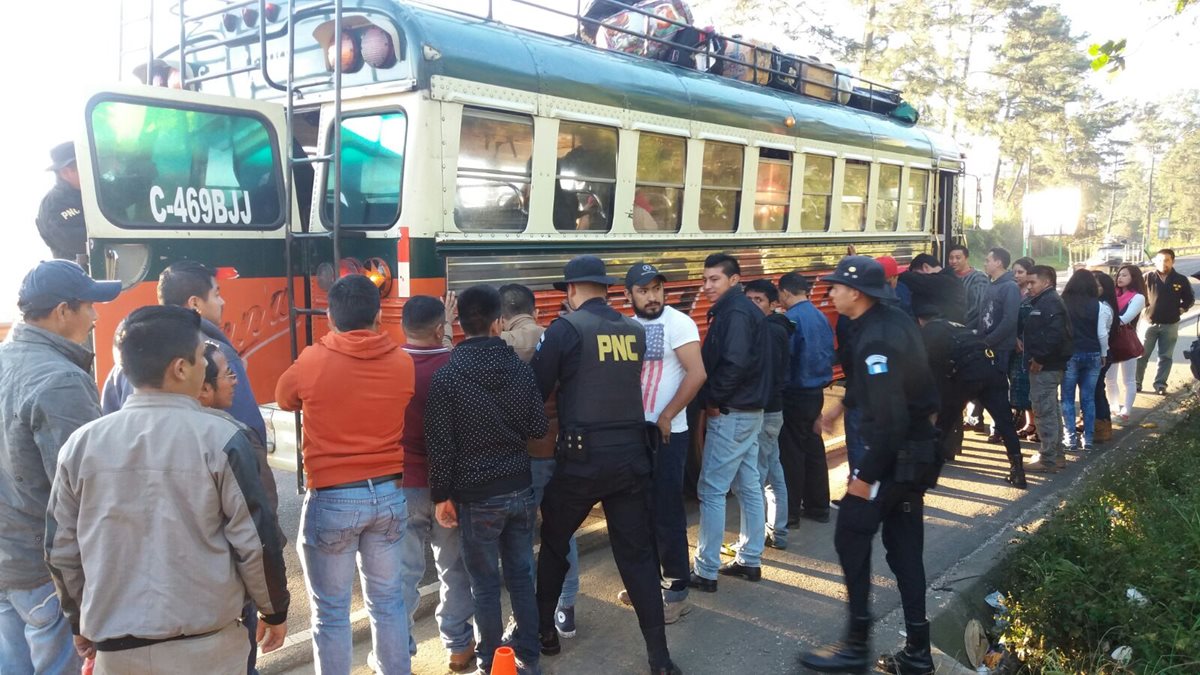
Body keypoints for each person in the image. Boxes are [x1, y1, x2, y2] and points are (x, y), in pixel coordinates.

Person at [46, 305, 289, 675]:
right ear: (180, 368)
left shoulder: (79, 446)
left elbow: (61, 550)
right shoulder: (224, 438)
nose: (204, 366)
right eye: (200, 358)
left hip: (117, 652)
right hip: (208, 650)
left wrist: (79, 622)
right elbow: (256, 541)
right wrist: (274, 611)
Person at [101, 260, 276, 670]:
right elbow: (251, 463)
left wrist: (81, 617)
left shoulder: (121, 370)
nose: (223, 302)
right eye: (217, 293)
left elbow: (66, 543)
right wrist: (273, 602)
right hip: (207, 599)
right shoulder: (213, 357)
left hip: (130, 595)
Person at [530, 255, 680, 674]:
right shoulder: (634, 330)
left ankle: (546, 633)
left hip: (580, 461)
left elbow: (536, 388)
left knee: (555, 542)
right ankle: (659, 657)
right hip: (631, 459)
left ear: (571, 290)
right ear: (607, 287)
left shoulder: (565, 329)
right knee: (637, 557)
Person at [800, 257, 940, 675]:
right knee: (904, 548)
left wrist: (864, 477)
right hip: (918, 453)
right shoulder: (891, 320)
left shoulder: (875, 338)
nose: (831, 293)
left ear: (856, 293)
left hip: (896, 458)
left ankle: (856, 646)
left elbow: (891, 420)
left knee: (850, 534)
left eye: (836, 287)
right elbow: (882, 383)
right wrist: (841, 406)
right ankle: (918, 652)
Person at [275, 274, 415, 673]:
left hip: (333, 497)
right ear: (378, 315)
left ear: (330, 317)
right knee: (387, 602)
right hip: (388, 495)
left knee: (331, 612)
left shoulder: (312, 360)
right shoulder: (402, 362)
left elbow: (284, 397)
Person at [0, 260, 120, 675]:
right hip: (45, 572)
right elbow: (87, 496)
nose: (95, 316)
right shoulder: (60, 380)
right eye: (89, 306)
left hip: (8, 560)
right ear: (62, 311)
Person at [427, 284, 548, 675]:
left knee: (483, 584)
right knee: (521, 576)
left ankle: (492, 662)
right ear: (498, 322)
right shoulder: (520, 370)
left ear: (461, 324)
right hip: (520, 488)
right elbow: (538, 427)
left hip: (476, 497)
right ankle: (528, 657)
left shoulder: (447, 377)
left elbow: (440, 446)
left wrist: (441, 496)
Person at [617, 263, 705, 620]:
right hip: (635, 433)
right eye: (644, 291)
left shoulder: (679, 323)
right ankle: (648, 585)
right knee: (638, 513)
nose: (652, 296)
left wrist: (667, 415)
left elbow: (697, 373)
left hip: (669, 434)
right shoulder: (625, 327)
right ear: (628, 295)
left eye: (657, 288)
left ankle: (677, 593)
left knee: (667, 512)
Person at [395, 296, 476, 673]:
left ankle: (398, 653)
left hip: (402, 485)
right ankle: (458, 647)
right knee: (454, 569)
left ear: (402, 326)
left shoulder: (391, 365)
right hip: (450, 487)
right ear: (439, 328)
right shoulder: (455, 364)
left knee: (402, 576)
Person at [497, 284, 580, 639]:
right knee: (562, 533)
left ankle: (525, 618)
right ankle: (566, 607)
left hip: (523, 456)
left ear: (502, 316)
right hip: (560, 448)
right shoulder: (559, 338)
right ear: (534, 310)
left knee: (520, 540)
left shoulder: (501, 344)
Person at [691, 253, 769, 590]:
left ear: (734, 280)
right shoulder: (742, 310)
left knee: (711, 489)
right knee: (748, 484)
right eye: (705, 279)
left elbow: (734, 363)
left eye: (715, 279)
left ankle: (706, 569)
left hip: (731, 412)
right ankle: (750, 558)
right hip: (749, 411)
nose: (707, 286)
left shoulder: (734, 313)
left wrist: (712, 399)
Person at [912, 299, 1026, 488]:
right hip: (993, 370)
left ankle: (924, 473)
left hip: (967, 376)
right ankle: (1018, 472)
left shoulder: (930, 332)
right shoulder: (956, 327)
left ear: (920, 320)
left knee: (943, 424)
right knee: (1005, 422)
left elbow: (934, 370)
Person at [776, 272, 834, 531]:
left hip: (795, 393)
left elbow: (786, 360)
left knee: (791, 453)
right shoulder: (819, 316)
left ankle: (790, 514)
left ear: (785, 292)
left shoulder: (791, 319)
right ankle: (819, 507)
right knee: (813, 447)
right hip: (816, 392)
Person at [744, 279, 795, 550]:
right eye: (749, 299)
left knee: (756, 475)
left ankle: (754, 540)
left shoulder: (770, 331)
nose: (752, 305)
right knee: (773, 473)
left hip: (766, 411)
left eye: (759, 300)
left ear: (773, 304)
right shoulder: (776, 327)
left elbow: (769, 375)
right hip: (773, 409)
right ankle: (778, 532)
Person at [1021, 266, 1073, 473]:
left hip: (1046, 366)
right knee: (1050, 410)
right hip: (1048, 364)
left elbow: (1055, 335)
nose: (1028, 287)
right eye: (1027, 283)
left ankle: (1048, 459)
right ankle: (1056, 455)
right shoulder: (1046, 301)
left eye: (1032, 282)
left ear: (1046, 282)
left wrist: (1040, 358)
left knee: (1044, 412)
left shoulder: (1049, 302)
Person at [1060, 269, 1111, 454]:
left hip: (1070, 354)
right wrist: (1103, 353)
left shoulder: (1063, 304)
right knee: (1088, 398)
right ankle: (1088, 439)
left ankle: (1070, 439)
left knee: (1067, 398)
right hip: (1093, 354)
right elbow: (1102, 334)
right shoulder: (1100, 306)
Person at [1136, 249, 1195, 395]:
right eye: (1160, 260)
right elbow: (1137, 295)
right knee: (1141, 355)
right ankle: (1136, 383)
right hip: (1148, 323)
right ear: (1155, 261)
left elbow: (1189, 299)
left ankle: (1160, 384)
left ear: (1173, 261)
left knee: (1165, 356)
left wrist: (1182, 309)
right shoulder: (1147, 277)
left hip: (1170, 324)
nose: (1163, 263)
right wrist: (1142, 309)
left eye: (1167, 260)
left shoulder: (1180, 279)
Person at [1106, 264, 1147, 422]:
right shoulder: (1111, 294)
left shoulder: (1138, 297)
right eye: (1119, 275)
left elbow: (1124, 319)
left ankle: (1126, 410)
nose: (1120, 278)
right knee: (1110, 379)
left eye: (1125, 275)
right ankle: (1114, 408)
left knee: (1128, 379)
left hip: (1127, 341)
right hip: (1110, 340)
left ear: (1133, 278)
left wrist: (1104, 319)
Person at [36, 142, 88, 263]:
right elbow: (77, 242)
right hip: (79, 272)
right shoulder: (53, 205)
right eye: (85, 166)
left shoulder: (96, 194)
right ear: (66, 172)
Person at [1009, 258, 1037, 440]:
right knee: (1017, 385)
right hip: (1013, 343)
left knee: (1030, 385)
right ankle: (1028, 422)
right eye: (1014, 272)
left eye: (1020, 272)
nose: (1016, 275)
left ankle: (1035, 424)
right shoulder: (1011, 290)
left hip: (1030, 346)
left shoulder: (1033, 295)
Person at [1090, 271, 1120, 443]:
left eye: (1097, 285)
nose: (1093, 288)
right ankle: (1096, 424)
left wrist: (1102, 354)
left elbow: (1102, 334)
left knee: (1096, 390)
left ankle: (1102, 427)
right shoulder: (1101, 304)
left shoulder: (1103, 307)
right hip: (1102, 352)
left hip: (1102, 353)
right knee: (1095, 389)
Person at [897, 253, 966, 324]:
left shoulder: (946, 281)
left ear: (926, 267)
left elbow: (914, 280)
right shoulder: (945, 281)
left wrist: (896, 273)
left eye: (916, 274)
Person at [947, 244, 990, 329]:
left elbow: (977, 308)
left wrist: (959, 326)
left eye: (958, 258)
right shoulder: (947, 277)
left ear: (966, 258)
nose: (954, 261)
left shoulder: (979, 278)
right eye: (951, 258)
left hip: (969, 328)